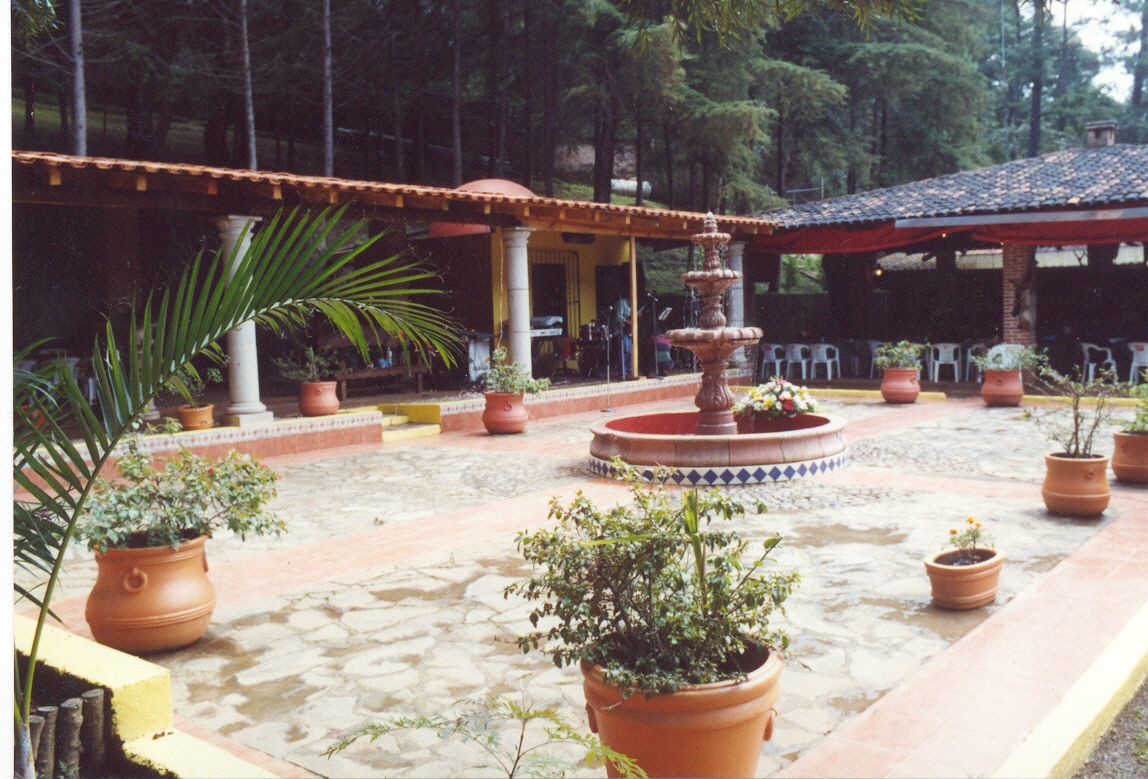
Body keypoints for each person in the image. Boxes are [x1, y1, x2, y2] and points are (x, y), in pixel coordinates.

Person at [613, 296, 632, 378]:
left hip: (628, 332)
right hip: (621, 331)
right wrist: (626, 321)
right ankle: (622, 373)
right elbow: (618, 317)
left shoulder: (630, 306)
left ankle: (628, 371)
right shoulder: (622, 303)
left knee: (629, 352)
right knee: (624, 351)